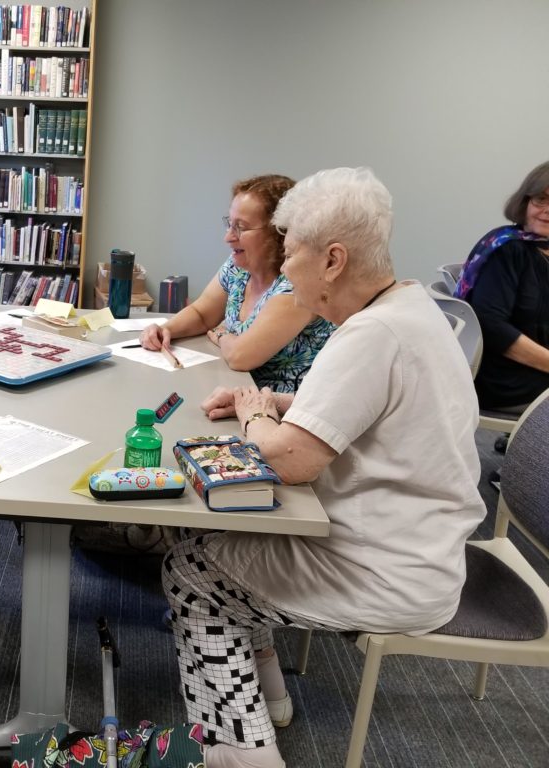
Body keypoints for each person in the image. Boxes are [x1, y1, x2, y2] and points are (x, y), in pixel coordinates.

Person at [163, 168, 485, 768]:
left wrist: (259, 417)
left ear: (333, 260)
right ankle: (270, 699)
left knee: (193, 573)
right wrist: (277, 405)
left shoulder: (371, 335)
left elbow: (290, 460)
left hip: (388, 568)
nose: (284, 269)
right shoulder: (410, 307)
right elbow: (361, 413)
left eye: (294, 254)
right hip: (423, 543)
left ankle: (242, 756)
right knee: (229, 541)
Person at [139, 175, 333, 392]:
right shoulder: (237, 268)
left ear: (278, 233)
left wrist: (221, 334)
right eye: (229, 224)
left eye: (240, 227)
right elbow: (202, 314)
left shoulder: (297, 285)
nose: (228, 237)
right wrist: (165, 330)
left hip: (281, 410)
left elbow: (242, 356)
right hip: (237, 392)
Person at [454, 161, 549, 411]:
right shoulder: (507, 248)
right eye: (541, 199)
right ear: (525, 202)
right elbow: (492, 327)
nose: (547, 210)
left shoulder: (544, 249)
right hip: (506, 379)